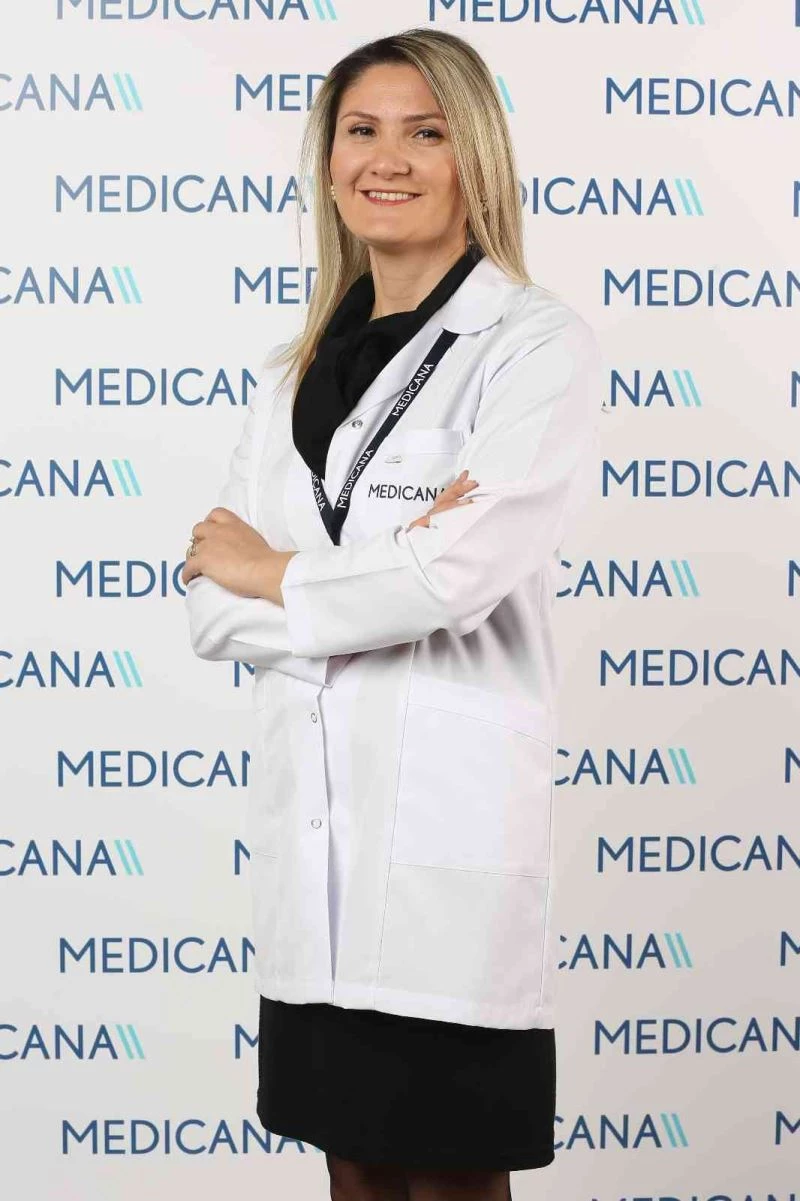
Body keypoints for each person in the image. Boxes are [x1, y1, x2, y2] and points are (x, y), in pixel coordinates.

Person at [181, 26, 601, 1201]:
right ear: (327, 162)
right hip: (313, 857)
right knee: (353, 1174)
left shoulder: (531, 346)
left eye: (425, 133)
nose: (388, 159)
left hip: (441, 857)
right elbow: (210, 609)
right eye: (360, 131)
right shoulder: (291, 372)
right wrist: (371, 575)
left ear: (474, 158)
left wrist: (274, 571)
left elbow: (454, 581)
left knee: (449, 1179)